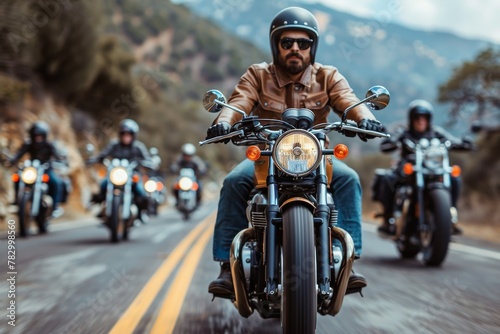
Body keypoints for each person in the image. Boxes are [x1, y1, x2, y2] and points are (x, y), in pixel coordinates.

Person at [205, 7, 385, 298]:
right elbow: (238, 102)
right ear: (276, 45)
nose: (295, 49)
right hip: (267, 156)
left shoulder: (328, 76)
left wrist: (364, 118)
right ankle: (227, 267)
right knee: (233, 183)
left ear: (312, 47)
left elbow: (348, 101)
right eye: (287, 42)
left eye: (303, 43)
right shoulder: (258, 74)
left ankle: (348, 263)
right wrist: (223, 123)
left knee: (349, 179)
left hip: (316, 159)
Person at [375, 99, 472, 236]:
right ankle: (387, 219)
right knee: (388, 178)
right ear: (411, 119)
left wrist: (464, 143)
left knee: (454, 178)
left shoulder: (436, 133)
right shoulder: (404, 133)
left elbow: (452, 141)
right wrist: (391, 141)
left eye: (424, 118)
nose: (421, 121)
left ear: (429, 119)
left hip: (431, 168)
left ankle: (450, 217)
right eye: (417, 117)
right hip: (409, 169)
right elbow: (388, 144)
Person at [86, 119, 152, 218]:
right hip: (115, 174)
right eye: (124, 134)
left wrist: (149, 163)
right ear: (120, 135)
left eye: (129, 135)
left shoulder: (138, 147)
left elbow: (147, 159)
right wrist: (95, 159)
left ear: (133, 136)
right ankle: (101, 208)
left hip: (133, 175)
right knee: (103, 185)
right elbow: (103, 154)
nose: (126, 137)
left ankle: (141, 213)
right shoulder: (114, 145)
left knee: (141, 191)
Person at [8, 121, 65, 217]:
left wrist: (61, 161)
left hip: (46, 170)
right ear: (32, 136)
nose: (38, 137)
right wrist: (12, 160)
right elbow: (19, 154)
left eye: (40, 135)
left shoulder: (49, 145)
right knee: (17, 178)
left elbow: (58, 156)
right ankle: (17, 201)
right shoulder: (28, 144)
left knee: (56, 182)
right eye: (36, 136)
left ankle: (55, 207)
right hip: (32, 170)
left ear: (44, 136)